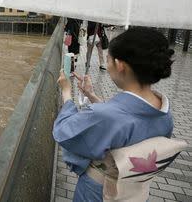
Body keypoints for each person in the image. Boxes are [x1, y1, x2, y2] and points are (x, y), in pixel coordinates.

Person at [53, 27, 175, 202]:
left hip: (99, 193)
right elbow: (121, 121)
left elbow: (65, 131)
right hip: (137, 193)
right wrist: (92, 96)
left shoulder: (106, 115)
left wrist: (66, 92)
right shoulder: (164, 112)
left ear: (120, 65)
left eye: (108, 60)